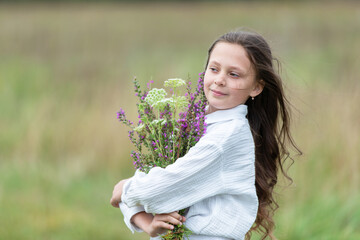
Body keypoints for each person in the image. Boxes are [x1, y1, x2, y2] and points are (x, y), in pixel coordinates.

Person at [110, 29, 301, 240]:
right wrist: (143, 220)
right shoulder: (195, 127)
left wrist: (125, 188)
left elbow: (163, 188)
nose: (219, 80)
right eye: (214, 69)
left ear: (256, 87)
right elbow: (159, 182)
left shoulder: (227, 136)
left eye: (233, 74)